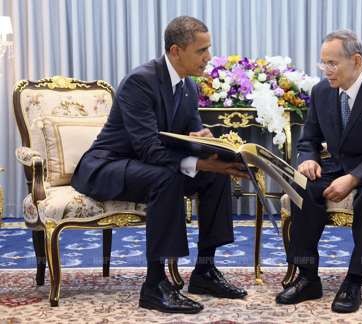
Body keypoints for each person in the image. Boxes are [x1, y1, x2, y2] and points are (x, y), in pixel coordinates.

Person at [71, 16, 248, 314]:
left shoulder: (189, 87)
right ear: (176, 51)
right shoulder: (140, 81)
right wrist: (200, 163)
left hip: (148, 165)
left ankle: (205, 271)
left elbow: (188, 137)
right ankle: (154, 286)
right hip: (108, 166)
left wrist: (209, 144)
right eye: (201, 50)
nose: (208, 57)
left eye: (209, 49)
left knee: (216, 177)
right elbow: (149, 149)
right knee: (166, 177)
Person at [275, 30, 362, 313]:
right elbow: (308, 139)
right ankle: (307, 277)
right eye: (322, 63)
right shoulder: (321, 91)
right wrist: (309, 159)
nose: (326, 70)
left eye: (332, 63)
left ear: (356, 60)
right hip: (340, 165)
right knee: (302, 185)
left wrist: (353, 179)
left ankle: (354, 280)